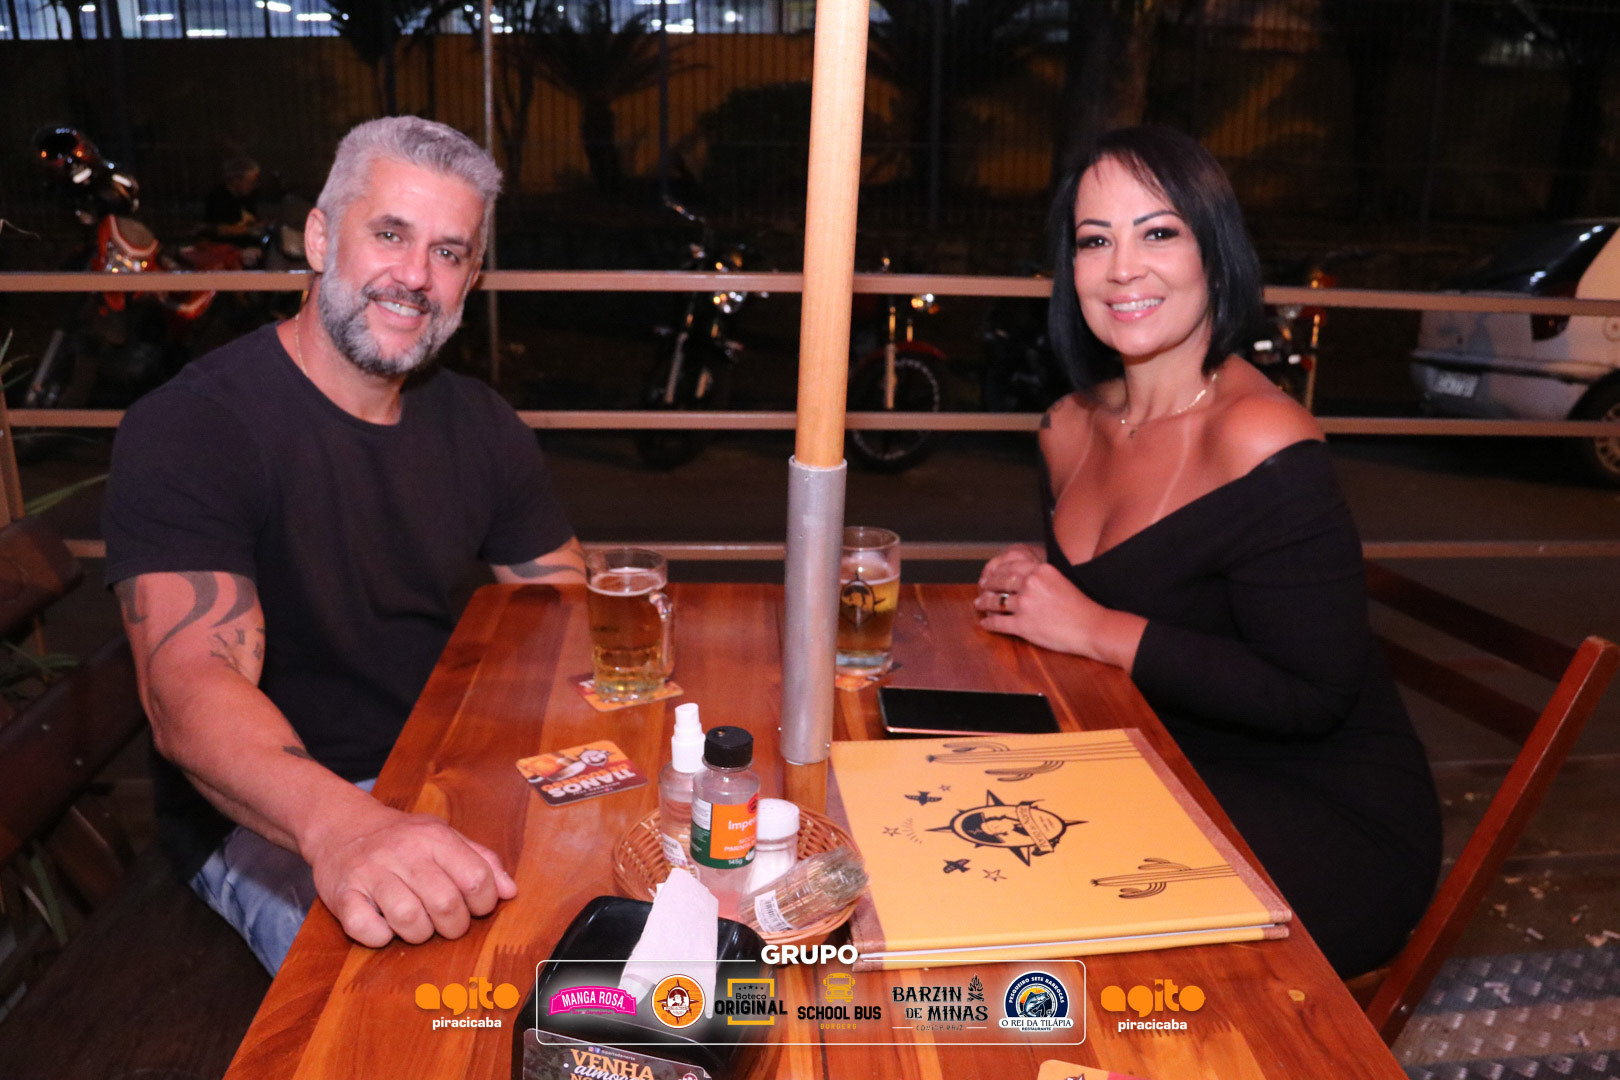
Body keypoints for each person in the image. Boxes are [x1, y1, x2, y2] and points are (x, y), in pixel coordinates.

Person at [103, 117, 586, 975]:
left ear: (471, 279)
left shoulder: (480, 424)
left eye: (448, 252)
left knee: (626, 923)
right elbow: (188, 686)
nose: (416, 275)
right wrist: (346, 826)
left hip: (446, 767)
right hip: (282, 813)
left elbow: (563, 607)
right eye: (390, 234)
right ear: (321, 239)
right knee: (415, 1006)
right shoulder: (193, 427)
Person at [975, 126, 1440, 978]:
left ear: (1215, 256)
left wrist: (1092, 626)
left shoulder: (1262, 440)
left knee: (1022, 907)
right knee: (959, 837)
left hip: (1324, 818)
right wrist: (1039, 582)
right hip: (1156, 769)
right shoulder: (1068, 428)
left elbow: (1314, 695)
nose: (1123, 268)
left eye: (1158, 232)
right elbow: (1150, 586)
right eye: (1094, 241)